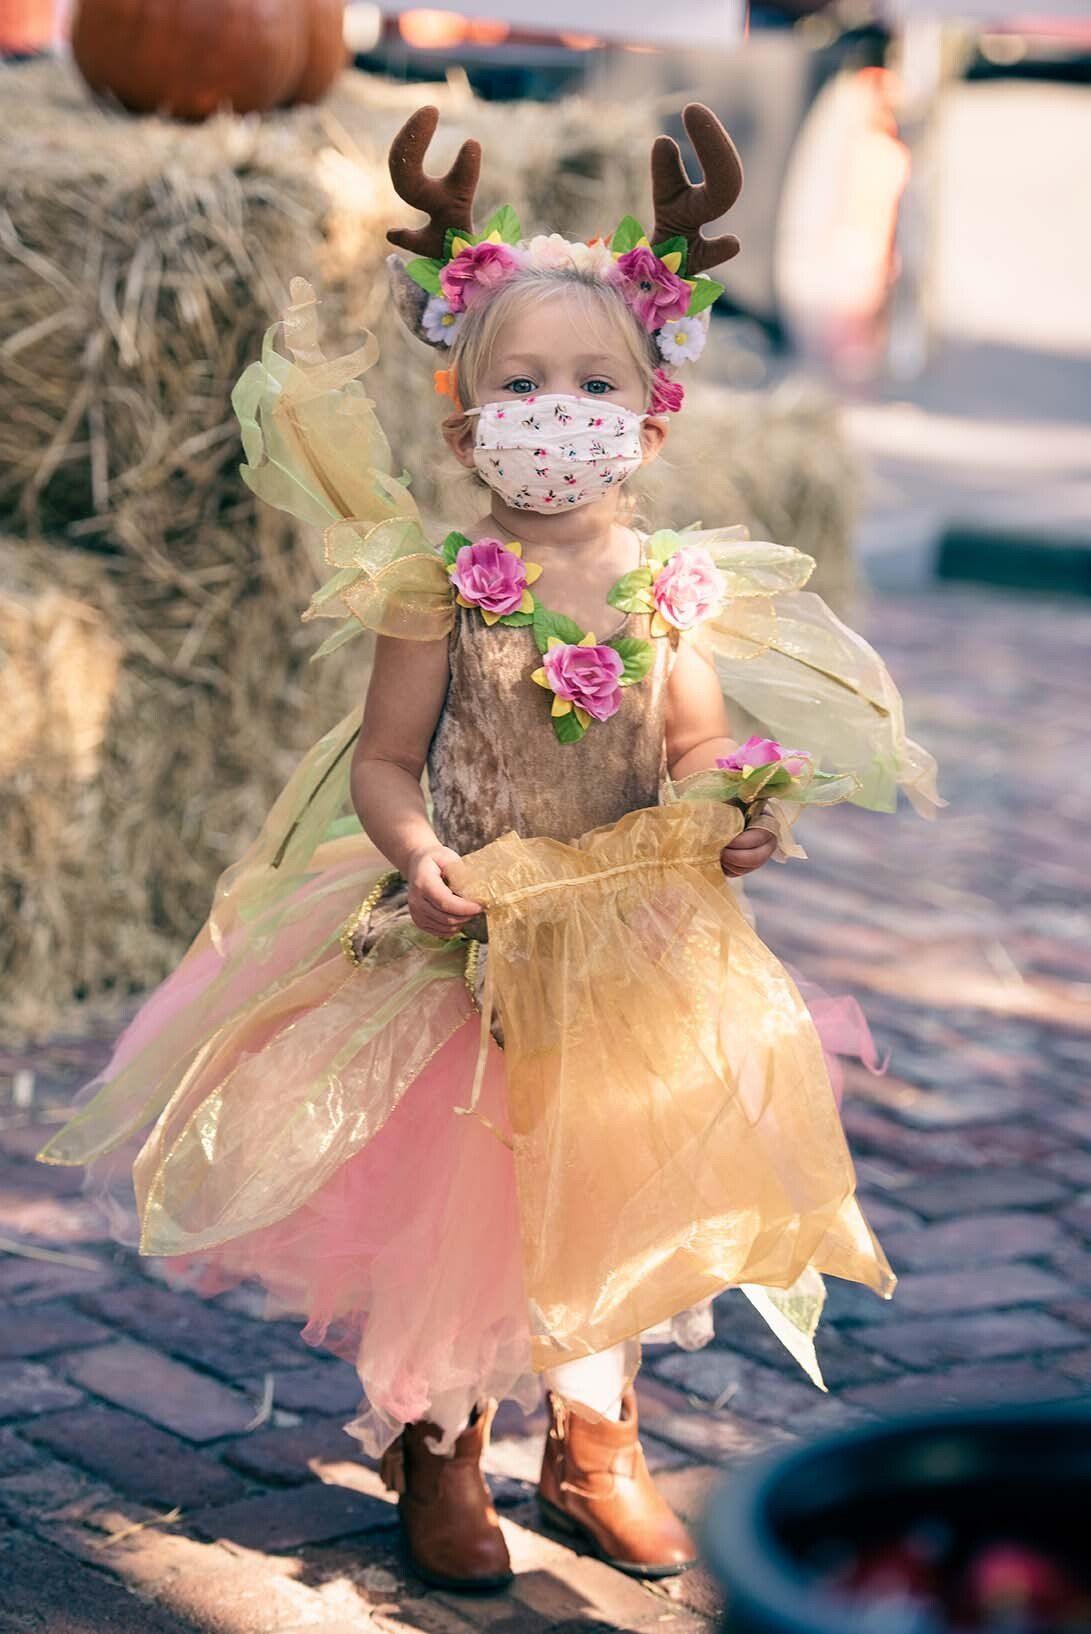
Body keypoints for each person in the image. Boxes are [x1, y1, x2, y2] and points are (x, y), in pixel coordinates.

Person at [38, 104, 940, 1592]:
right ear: (465, 416)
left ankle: (597, 1442)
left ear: (653, 414)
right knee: (465, 1213)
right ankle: (442, 1439)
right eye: (523, 381)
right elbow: (388, 760)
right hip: (467, 941)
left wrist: (737, 803)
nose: (558, 406)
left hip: (635, 946)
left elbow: (697, 742)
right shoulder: (442, 583)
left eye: (594, 380)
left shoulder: (670, 586)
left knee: (615, 1185)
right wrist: (410, 855)